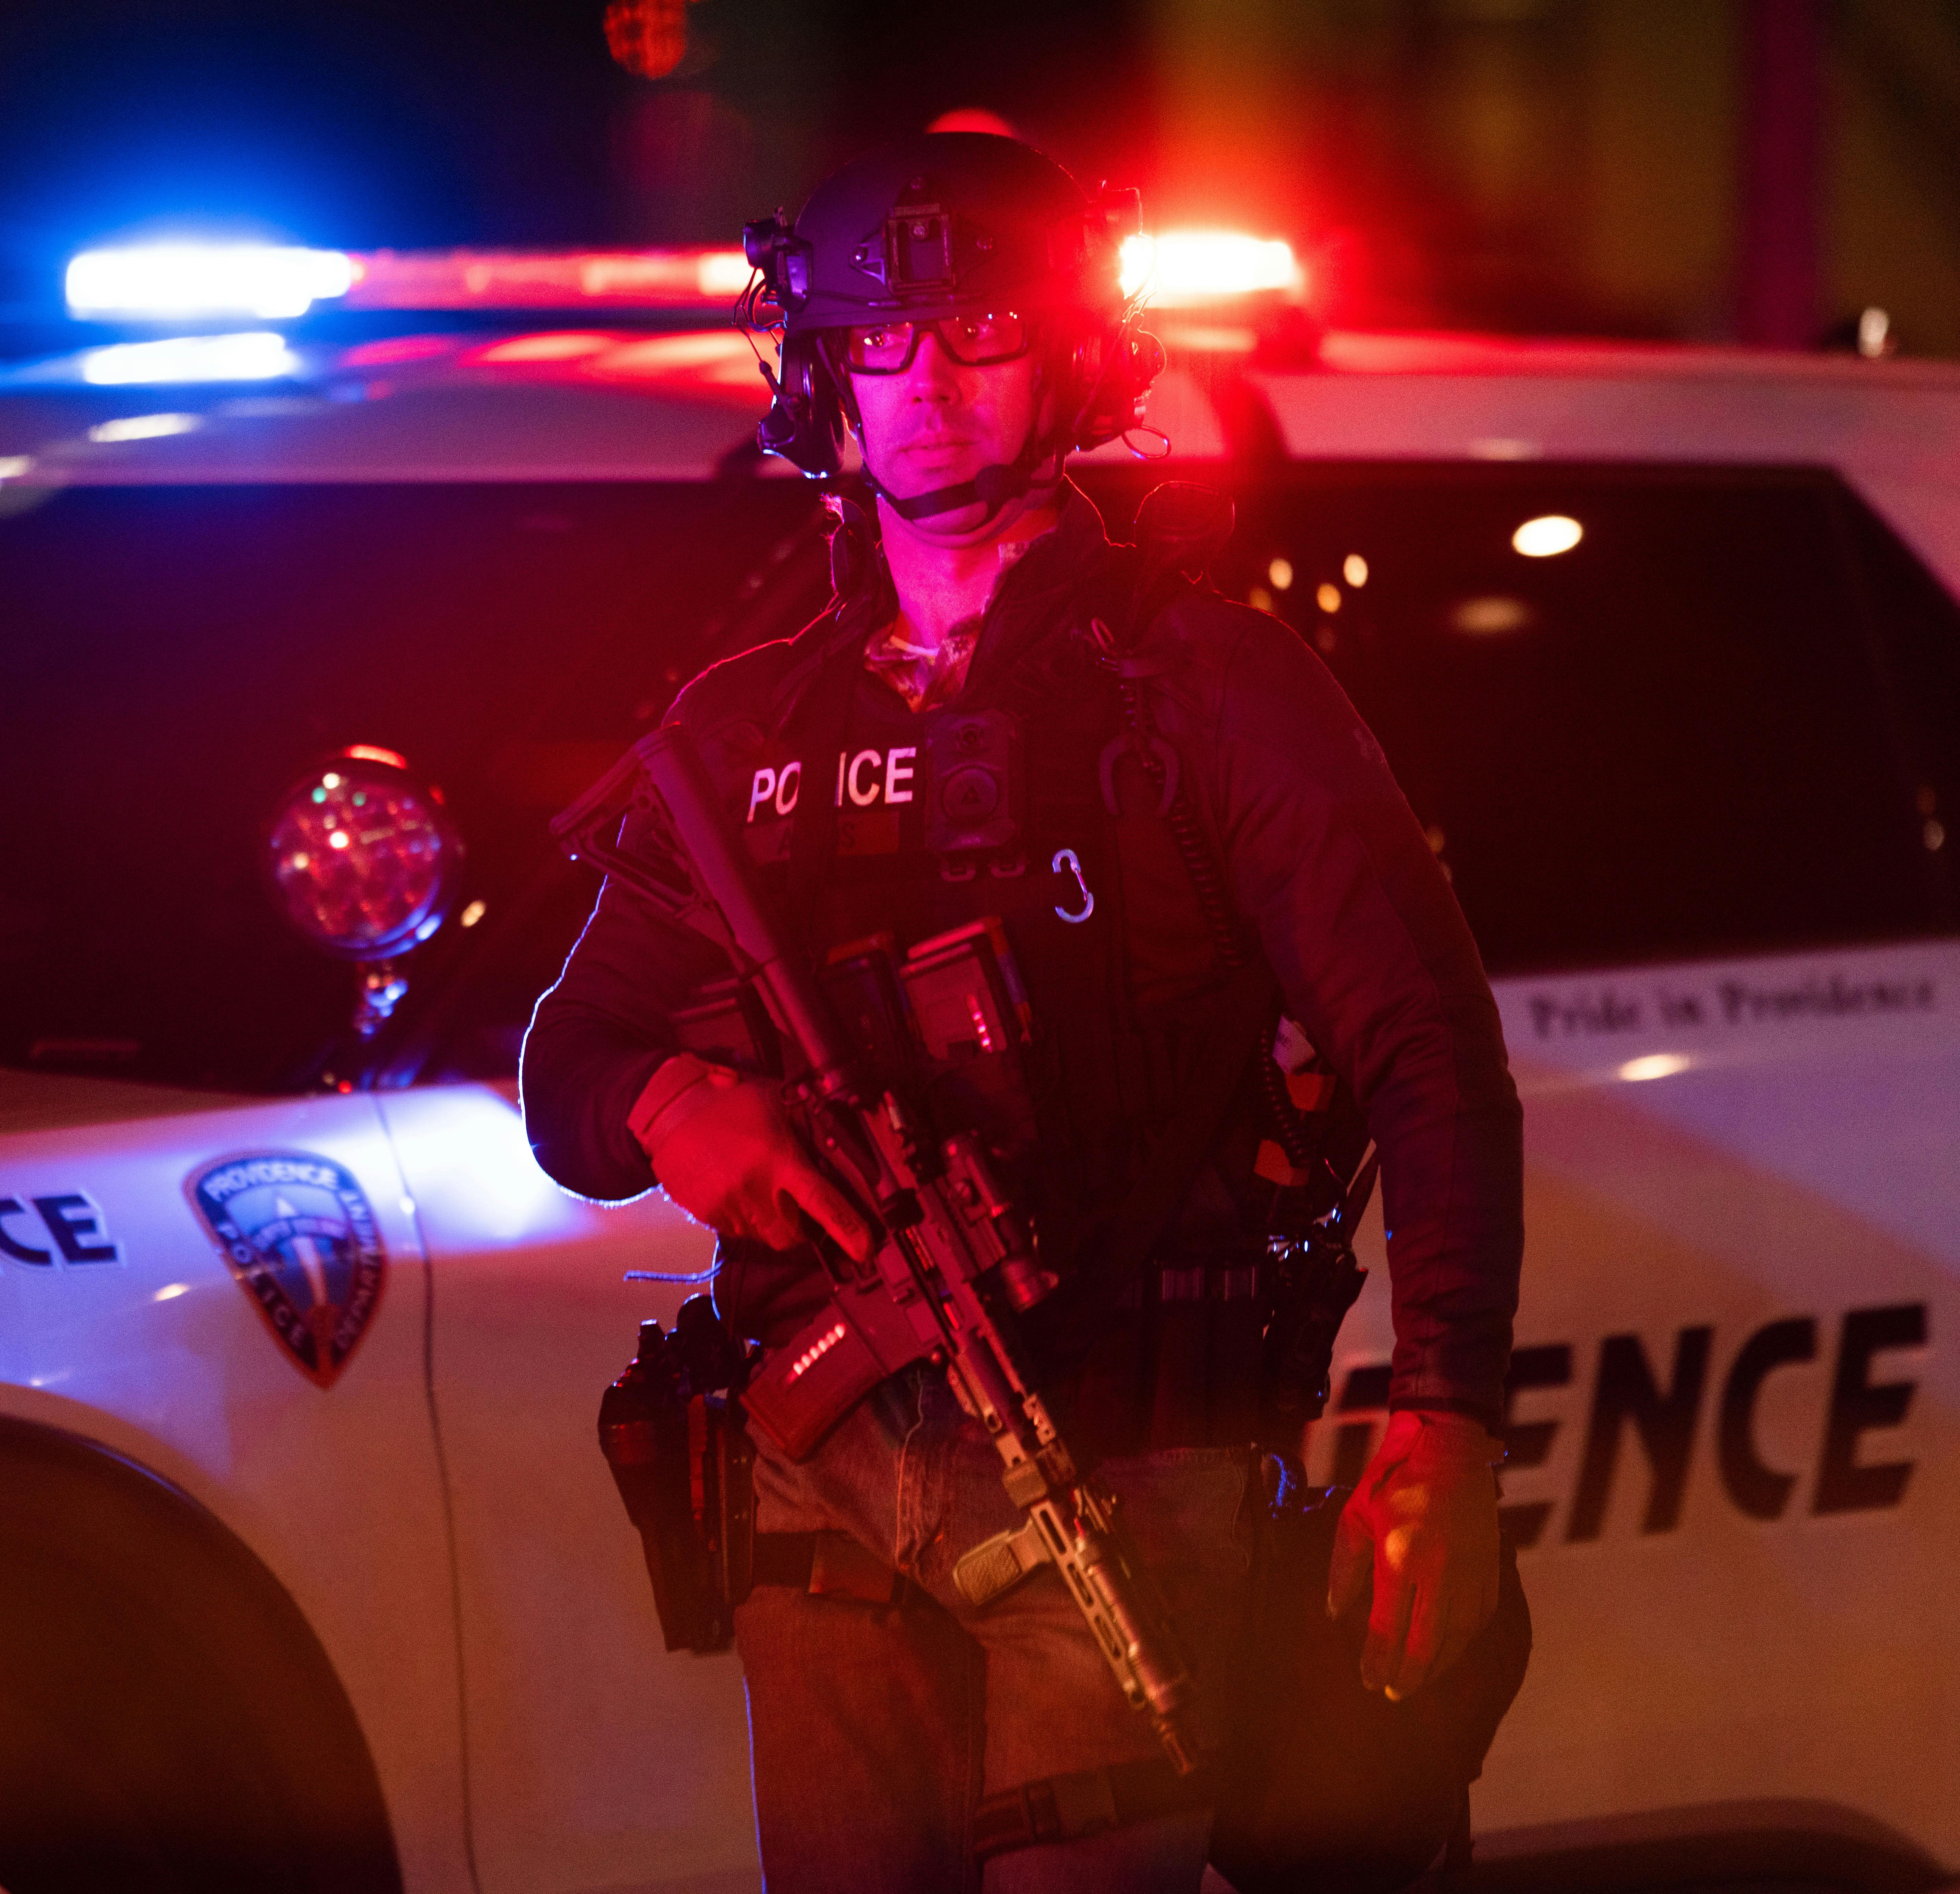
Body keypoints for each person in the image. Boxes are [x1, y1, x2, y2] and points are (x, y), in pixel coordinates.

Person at [522, 132, 1521, 1892]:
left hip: (1124, 1463)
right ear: (822, 371)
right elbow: (563, 1067)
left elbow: (1425, 1051)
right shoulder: (753, 727)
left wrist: (1441, 1420)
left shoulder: (1198, 683)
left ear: (1064, 355)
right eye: (881, 342)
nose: (925, 388)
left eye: (975, 333)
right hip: (825, 1496)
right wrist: (680, 1103)